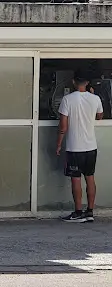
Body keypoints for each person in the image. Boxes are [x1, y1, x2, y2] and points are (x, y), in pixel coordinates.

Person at [57, 69, 104, 223]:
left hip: (74, 147)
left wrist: (58, 145)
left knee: (75, 179)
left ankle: (78, 212)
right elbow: (100, 116)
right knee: (90, 178)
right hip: (91, 146)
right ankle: (90, 212)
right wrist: (92, 95)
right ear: (88, 83)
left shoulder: (67, 99)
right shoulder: (95, 98)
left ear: (73, 82)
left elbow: (63, 126)